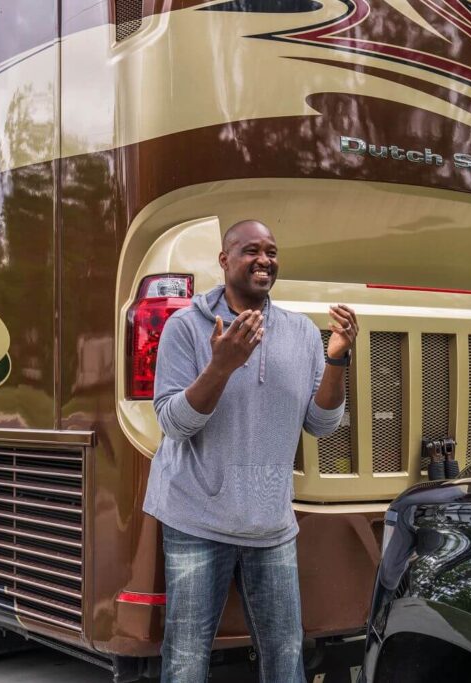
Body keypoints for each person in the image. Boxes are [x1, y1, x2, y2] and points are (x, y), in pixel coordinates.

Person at [143, 219, 357, 682]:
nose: (264, 260)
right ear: (224, 260)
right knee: (185, 661)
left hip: (270, 525)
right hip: (195, 516)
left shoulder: (300, 333)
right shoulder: (186, 326)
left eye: (272, 251)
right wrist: (221, 366)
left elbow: (322, 424)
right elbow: (174, 424)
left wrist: (337, 356)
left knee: (286, 658)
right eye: (251, 250)